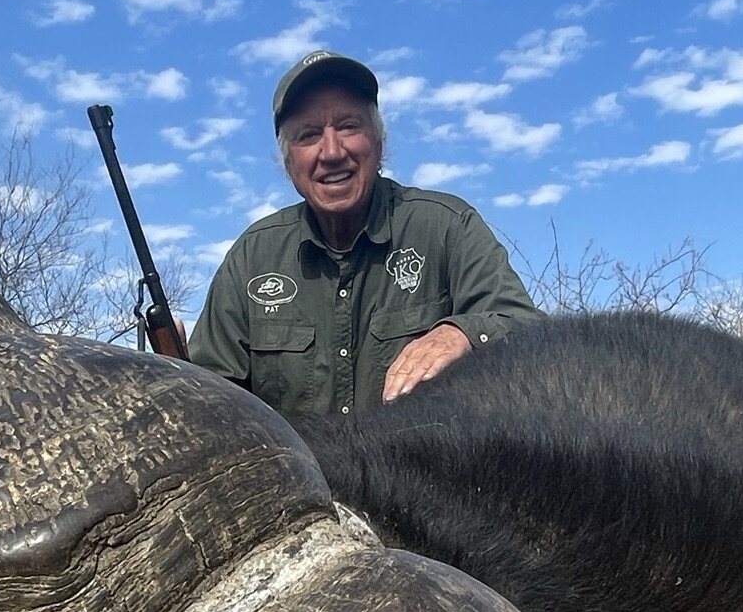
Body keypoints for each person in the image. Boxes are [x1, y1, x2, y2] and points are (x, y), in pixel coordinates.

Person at [189, 50, 542, 422]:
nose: (332, 152)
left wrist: (462, 334)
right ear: (287, 162)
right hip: (295, 479)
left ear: (379, 141)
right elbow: (209, 401)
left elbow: (527, 328)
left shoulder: (447, 226)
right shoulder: (252, 256)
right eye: (309, 135)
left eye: (348, 127)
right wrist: (177, 374)